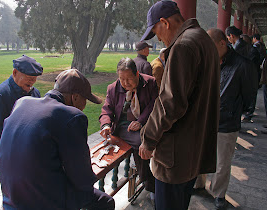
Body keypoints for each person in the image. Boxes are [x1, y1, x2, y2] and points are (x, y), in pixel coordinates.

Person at [138, 1, 220, 209]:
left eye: (156, 31)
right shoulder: (204, 39)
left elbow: (170, 103)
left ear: (164, 22)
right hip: (193, 149)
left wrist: (148, 139)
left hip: (174, 157)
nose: (157, 38)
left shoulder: (183, 45)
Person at [0, 69, 115, 210]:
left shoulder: (22, 103)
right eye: (85, 100)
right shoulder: (72, 116)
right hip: (44, 202)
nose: (83, 107)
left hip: (10, 197)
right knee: (105, 202)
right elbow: (82, 178)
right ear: (75, 97)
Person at [195, 28, 254, 209]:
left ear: (223, 43)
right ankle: (198, 185)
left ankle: (218, 194)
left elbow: (249, 95)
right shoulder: (207, 61)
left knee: (222, 162)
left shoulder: (242, 64)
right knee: (200, 155)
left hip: (227, 121)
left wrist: (234, 110)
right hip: (205, 119)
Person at [99, 58, 158, 196]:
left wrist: (141, 120)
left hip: (145, 122)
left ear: (137, 74)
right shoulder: (113, 88)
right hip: (123, 125)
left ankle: (153, 178)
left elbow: (154, 104)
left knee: (158, 139)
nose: (125, 83)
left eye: (129, 79)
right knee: (140, 142)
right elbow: (106, 109)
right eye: (121, 79)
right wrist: (106, 125)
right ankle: (149, 182)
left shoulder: (150, 83)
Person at [0, 55, 43, 168]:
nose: (32, 82)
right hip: (10, 159)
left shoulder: (35, 93)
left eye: (34, 78)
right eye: (28, 77)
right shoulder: (0, 96)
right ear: (15, 73)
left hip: (31, 155)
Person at [240, 34, 261, 123]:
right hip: (253, 76)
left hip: (250, 77)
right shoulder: (253, 49)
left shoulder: (251, 51)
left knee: (250, 96)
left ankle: (248, 113)